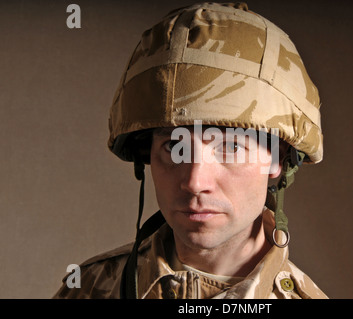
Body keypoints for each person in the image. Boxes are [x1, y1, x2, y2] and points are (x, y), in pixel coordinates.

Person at [53, 2, 327, 299]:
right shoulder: (90, 288)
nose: (195, 182)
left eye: (231, 147)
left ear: (278, 157)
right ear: (148, 155)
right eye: (174, 146)